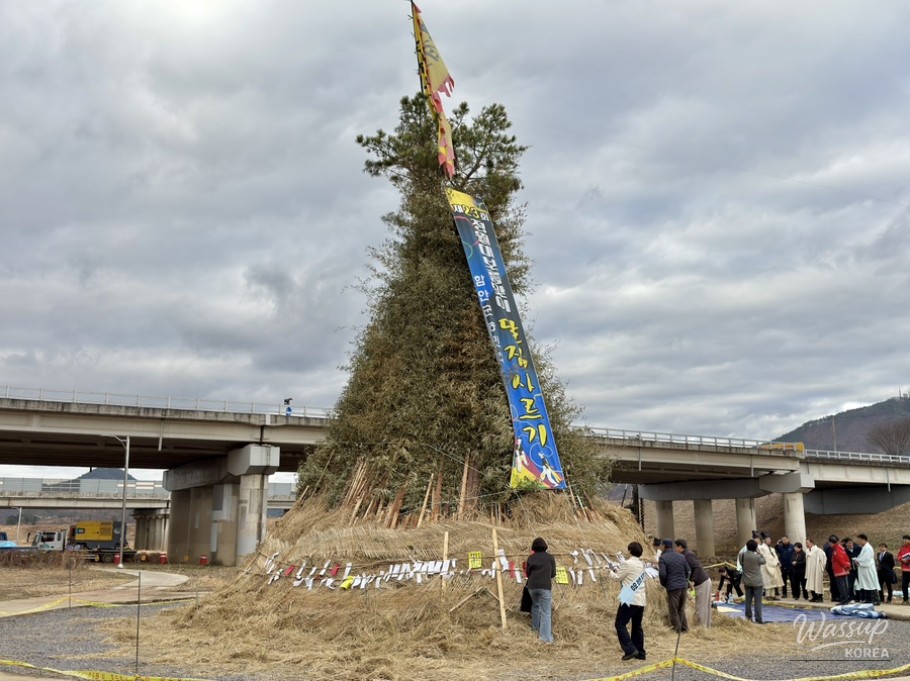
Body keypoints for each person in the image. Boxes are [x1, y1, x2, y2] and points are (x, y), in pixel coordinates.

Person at [611, 541, 647, 661]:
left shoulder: (627, 563)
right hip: (641, 597)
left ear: (630, 551)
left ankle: (630, 649)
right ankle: (640, 653)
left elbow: (617, 577)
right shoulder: (642, 564)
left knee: (620, 624)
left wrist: (611, 571)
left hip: (629, 596)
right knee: (637, 626)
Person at [525, 537, 556, 643]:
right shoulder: (550, 558)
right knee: (546, 612)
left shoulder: (531, 558)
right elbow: (553, 574)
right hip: (545, 587)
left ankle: (535, 629)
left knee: (535, 606)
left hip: (532, 586)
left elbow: (528, 573)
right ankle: (544, 638)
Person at [675, 539, 711, 627]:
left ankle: (701, 628)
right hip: (704, 581)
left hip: (701, 582)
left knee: (701, 607)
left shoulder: (688, 555)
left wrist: (693, 581)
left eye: (676, 547)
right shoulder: (686, 554)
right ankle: (706, 626)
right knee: (705, 606)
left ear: (680, 547)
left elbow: (697, 567)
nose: (675, 549)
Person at [658, 538, 690, 632]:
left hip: (673, 587)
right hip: (683, 586)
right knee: (681, 608)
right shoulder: (681, 556)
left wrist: (664, 584)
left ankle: (677, 629)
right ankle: (685, 628)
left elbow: (662, 574)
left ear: (664, 546)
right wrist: (685, 581)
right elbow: (688, 570)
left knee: (673, 609)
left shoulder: (663, 558)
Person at [741, 538, 766, 624]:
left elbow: (741, 564)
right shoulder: (757, 557)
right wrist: (760, 553)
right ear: (755, 547)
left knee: (748, 601)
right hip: (757, 582)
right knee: (757, 602)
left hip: (747, 581)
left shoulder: (742, 555)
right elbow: (764, 561)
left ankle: (748, 618)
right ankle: (758, 619)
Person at [854, 534, 879, 604]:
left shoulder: (868, 548)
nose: (859, 542)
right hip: (864, 569)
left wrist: (858, 561)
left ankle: (875, 599)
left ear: (863, 540)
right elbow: (861, 557)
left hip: (868, 568)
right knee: (866, 584)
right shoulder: (864, 548)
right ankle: (868, 599)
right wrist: (857, 560)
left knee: (871, 583)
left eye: (860, 541)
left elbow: (866, 558)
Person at [757, 533, 784, 600]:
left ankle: (773, 595)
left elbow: (775, 557)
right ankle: (768, 595)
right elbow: (767, 558)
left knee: (773, 581)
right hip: (766, 567)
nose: (769, 540)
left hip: (773, 567)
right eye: (767, 539)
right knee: (768, 581)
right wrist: (774, 562)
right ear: (764, 540)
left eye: (769, 539)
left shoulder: (771, 549)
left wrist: (777, 562)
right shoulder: (762, 548)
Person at [829, 535, 852, 606]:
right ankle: (845, 599)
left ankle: (844, 600)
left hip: (840, 570)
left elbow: (840, 559)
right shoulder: (840, 547)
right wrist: (847, 566)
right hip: (843, 569)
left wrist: (845, 566)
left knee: (842, 586)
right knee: (844, 585)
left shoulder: (836, 549)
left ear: (831, 542)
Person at [805, 538, 827, 602]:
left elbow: (823, 559)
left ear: (811, 543)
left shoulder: (818, 550)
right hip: (810, 570)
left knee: (818, 583)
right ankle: (814, 596)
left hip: (817, 570)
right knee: (810, 584)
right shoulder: (807, 551)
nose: (806, 544)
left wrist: (821, 568)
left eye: (807, 543)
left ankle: (820, 597)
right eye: (806, 543)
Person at [823, 538, 840, 602]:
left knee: (837, 582)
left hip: (836, 568)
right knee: (833, 582)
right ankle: (834, 596)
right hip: (831, 568)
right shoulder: (828, 548)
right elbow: (830, 558)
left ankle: (837, 596)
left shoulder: (837, 548)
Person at [897, 535, 910, 605]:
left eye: (906, 539)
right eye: (904, 539)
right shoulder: (902, 548)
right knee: (904, 585)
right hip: (905, 570)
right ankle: (905, 599)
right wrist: (901, 559)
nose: (904, 541)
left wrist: (907, 560)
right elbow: (899, 556)